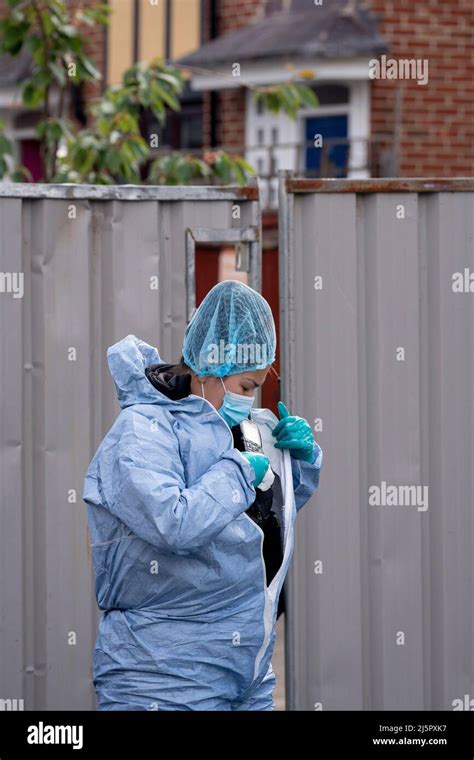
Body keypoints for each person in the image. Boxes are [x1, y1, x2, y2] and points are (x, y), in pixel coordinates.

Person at [83, 279, 322, 711]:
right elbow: (173, 522)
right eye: (247, 387)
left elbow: (255, 525)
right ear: (209, 370)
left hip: (245, 673)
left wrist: (298, 463)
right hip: (161, 678)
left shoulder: (233, 428)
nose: (252, 402)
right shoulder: (143, 431)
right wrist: (236, 473)